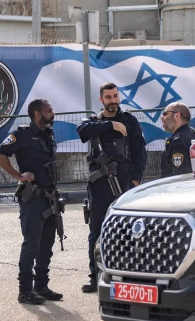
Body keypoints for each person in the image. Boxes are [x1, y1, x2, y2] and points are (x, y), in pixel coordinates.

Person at [76, 82, 148, 294]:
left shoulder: (129, 120)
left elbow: (140, 153)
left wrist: (135, 181)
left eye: (115, 96)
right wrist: (110, 125)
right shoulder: (93, 122)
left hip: (124, 185)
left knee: (127, 232)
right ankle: (95, 277)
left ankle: (126, 275)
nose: (113, 101)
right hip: (99, 188)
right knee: (96, 233)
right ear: (101, 100)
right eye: (108, 97)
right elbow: (81, 130)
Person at [0, 99, 65, 306]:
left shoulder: (48, 134)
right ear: (36, 113)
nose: (53, 113)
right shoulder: (23, 134)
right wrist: (18, 175)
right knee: (31, 244)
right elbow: (0, 154)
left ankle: (41, 286)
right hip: (32, 198)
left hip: (50, 197)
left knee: (47, 244)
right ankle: (25, 291)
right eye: (49, 110)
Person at [159, 102, 195, 177]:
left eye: (165, 113)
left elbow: (181, 176)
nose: (162, 117)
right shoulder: (194, 133)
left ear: (177, 116)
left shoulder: (178, 142)